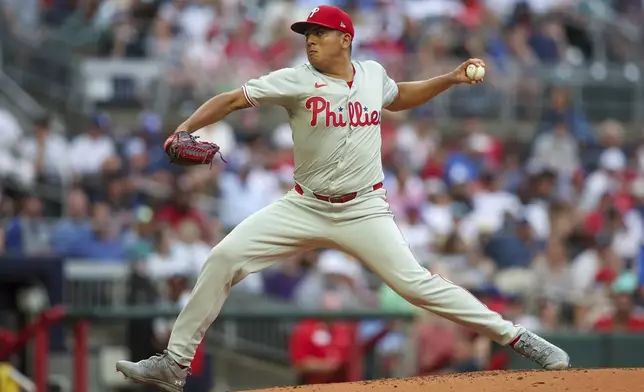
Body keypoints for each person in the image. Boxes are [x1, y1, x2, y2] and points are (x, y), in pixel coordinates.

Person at [116, 5, 570, 391]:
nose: (310, 41)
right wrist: (184, 129)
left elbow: (399, 97)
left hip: (363, 209)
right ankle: (174, 364)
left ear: (345, 38)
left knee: (416, 285)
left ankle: (517, 338)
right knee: (223, 257)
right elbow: (233, 99)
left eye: (319, 33)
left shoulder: (372, 74)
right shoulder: (295, 79)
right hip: (304, 205)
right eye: (306, 34)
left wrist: (448, 79)